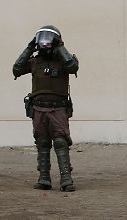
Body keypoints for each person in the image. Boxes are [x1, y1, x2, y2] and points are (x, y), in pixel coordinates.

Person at [13, 25, 79, 192]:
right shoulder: (35, 61)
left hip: (58, 109)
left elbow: (73, 67)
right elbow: (17, 69)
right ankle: (44, 178)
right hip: (38, 109)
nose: (45, 43)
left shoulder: (65, 61)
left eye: (49, 40)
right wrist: (29, 48)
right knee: (42, 142)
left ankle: (66, 179)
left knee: (60, 142)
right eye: (42, 39)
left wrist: (60, 47)